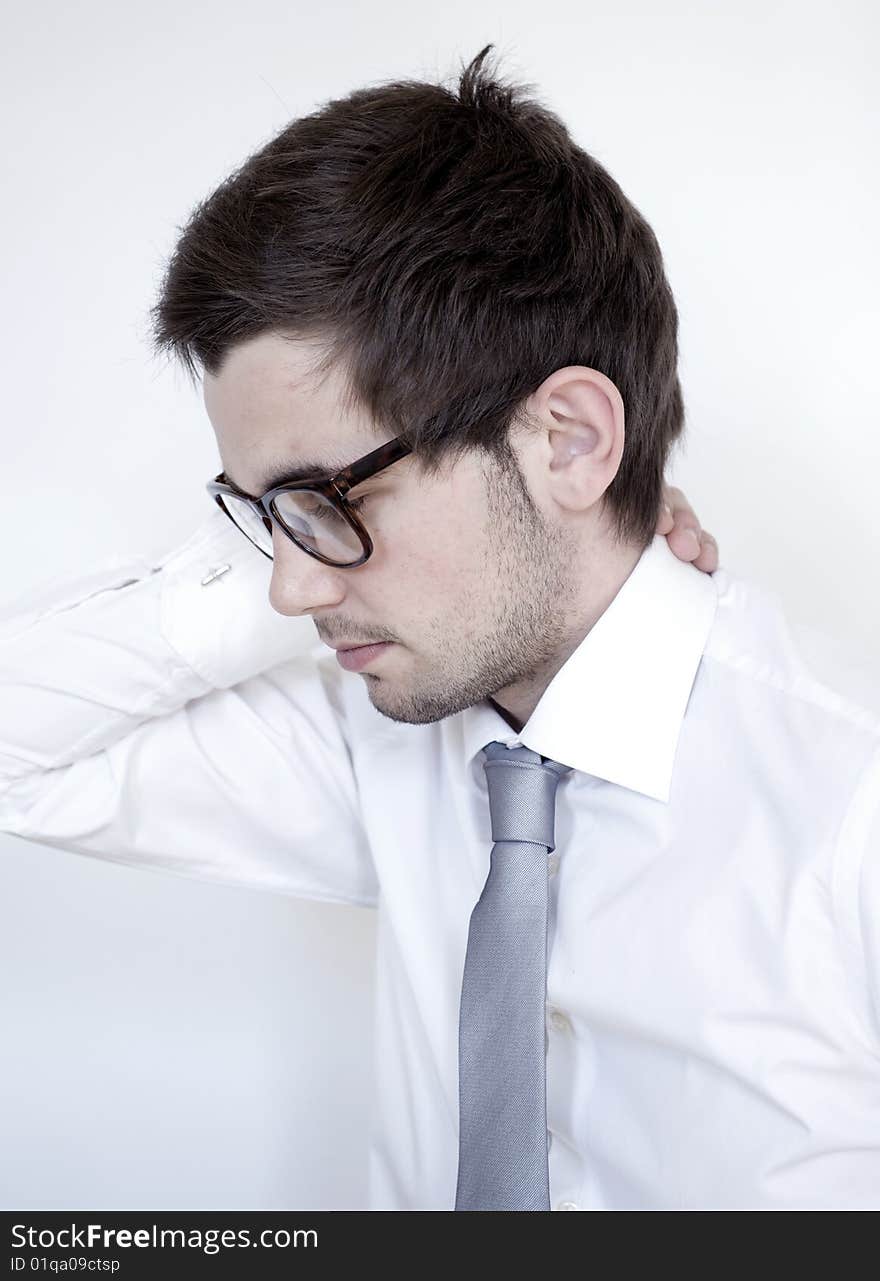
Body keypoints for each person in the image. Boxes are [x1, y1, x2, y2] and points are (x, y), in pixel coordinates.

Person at [1, 45, 878, 1212]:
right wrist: (268, 529)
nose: (292, 591)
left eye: (332, 498)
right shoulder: (383, 740)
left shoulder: (848, 808)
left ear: (566, 439)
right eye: (266, 517)